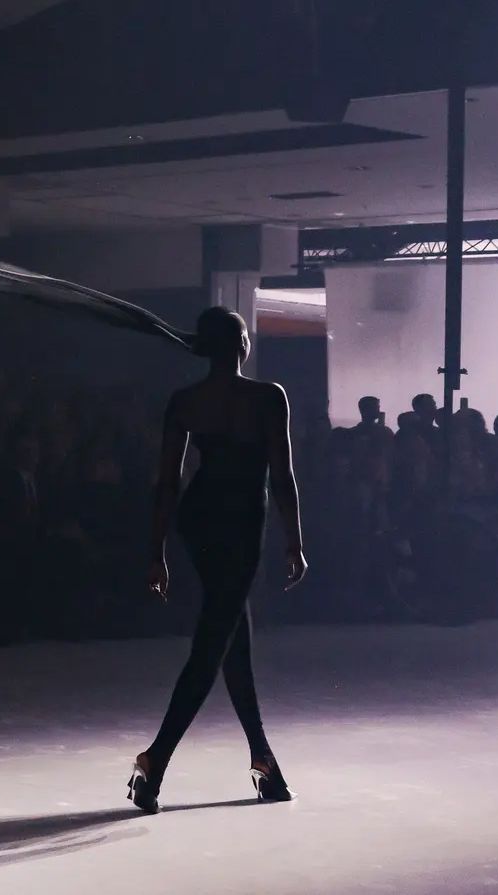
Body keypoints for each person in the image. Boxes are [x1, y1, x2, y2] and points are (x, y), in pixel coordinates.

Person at [130, 308, 306, 814]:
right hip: (242, 523)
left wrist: (157, 550)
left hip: (200, 519)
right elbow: (282, 475)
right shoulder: (268, 397)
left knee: (230, 636)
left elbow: (167, 483)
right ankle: (155, 760)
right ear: (242, 345)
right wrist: (294, 541)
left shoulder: (186, 400)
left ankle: (263, 759)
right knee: (214, 643)